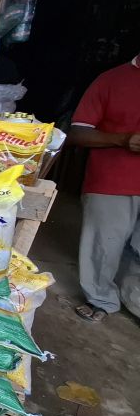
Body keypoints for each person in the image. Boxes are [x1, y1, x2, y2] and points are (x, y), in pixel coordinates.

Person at [68, 54, 140, 322]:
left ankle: (135, 302)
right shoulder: (111, 80)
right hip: (112, 180)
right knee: (104, 246)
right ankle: (101, 299)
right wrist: (122, 139)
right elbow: (77, 133)